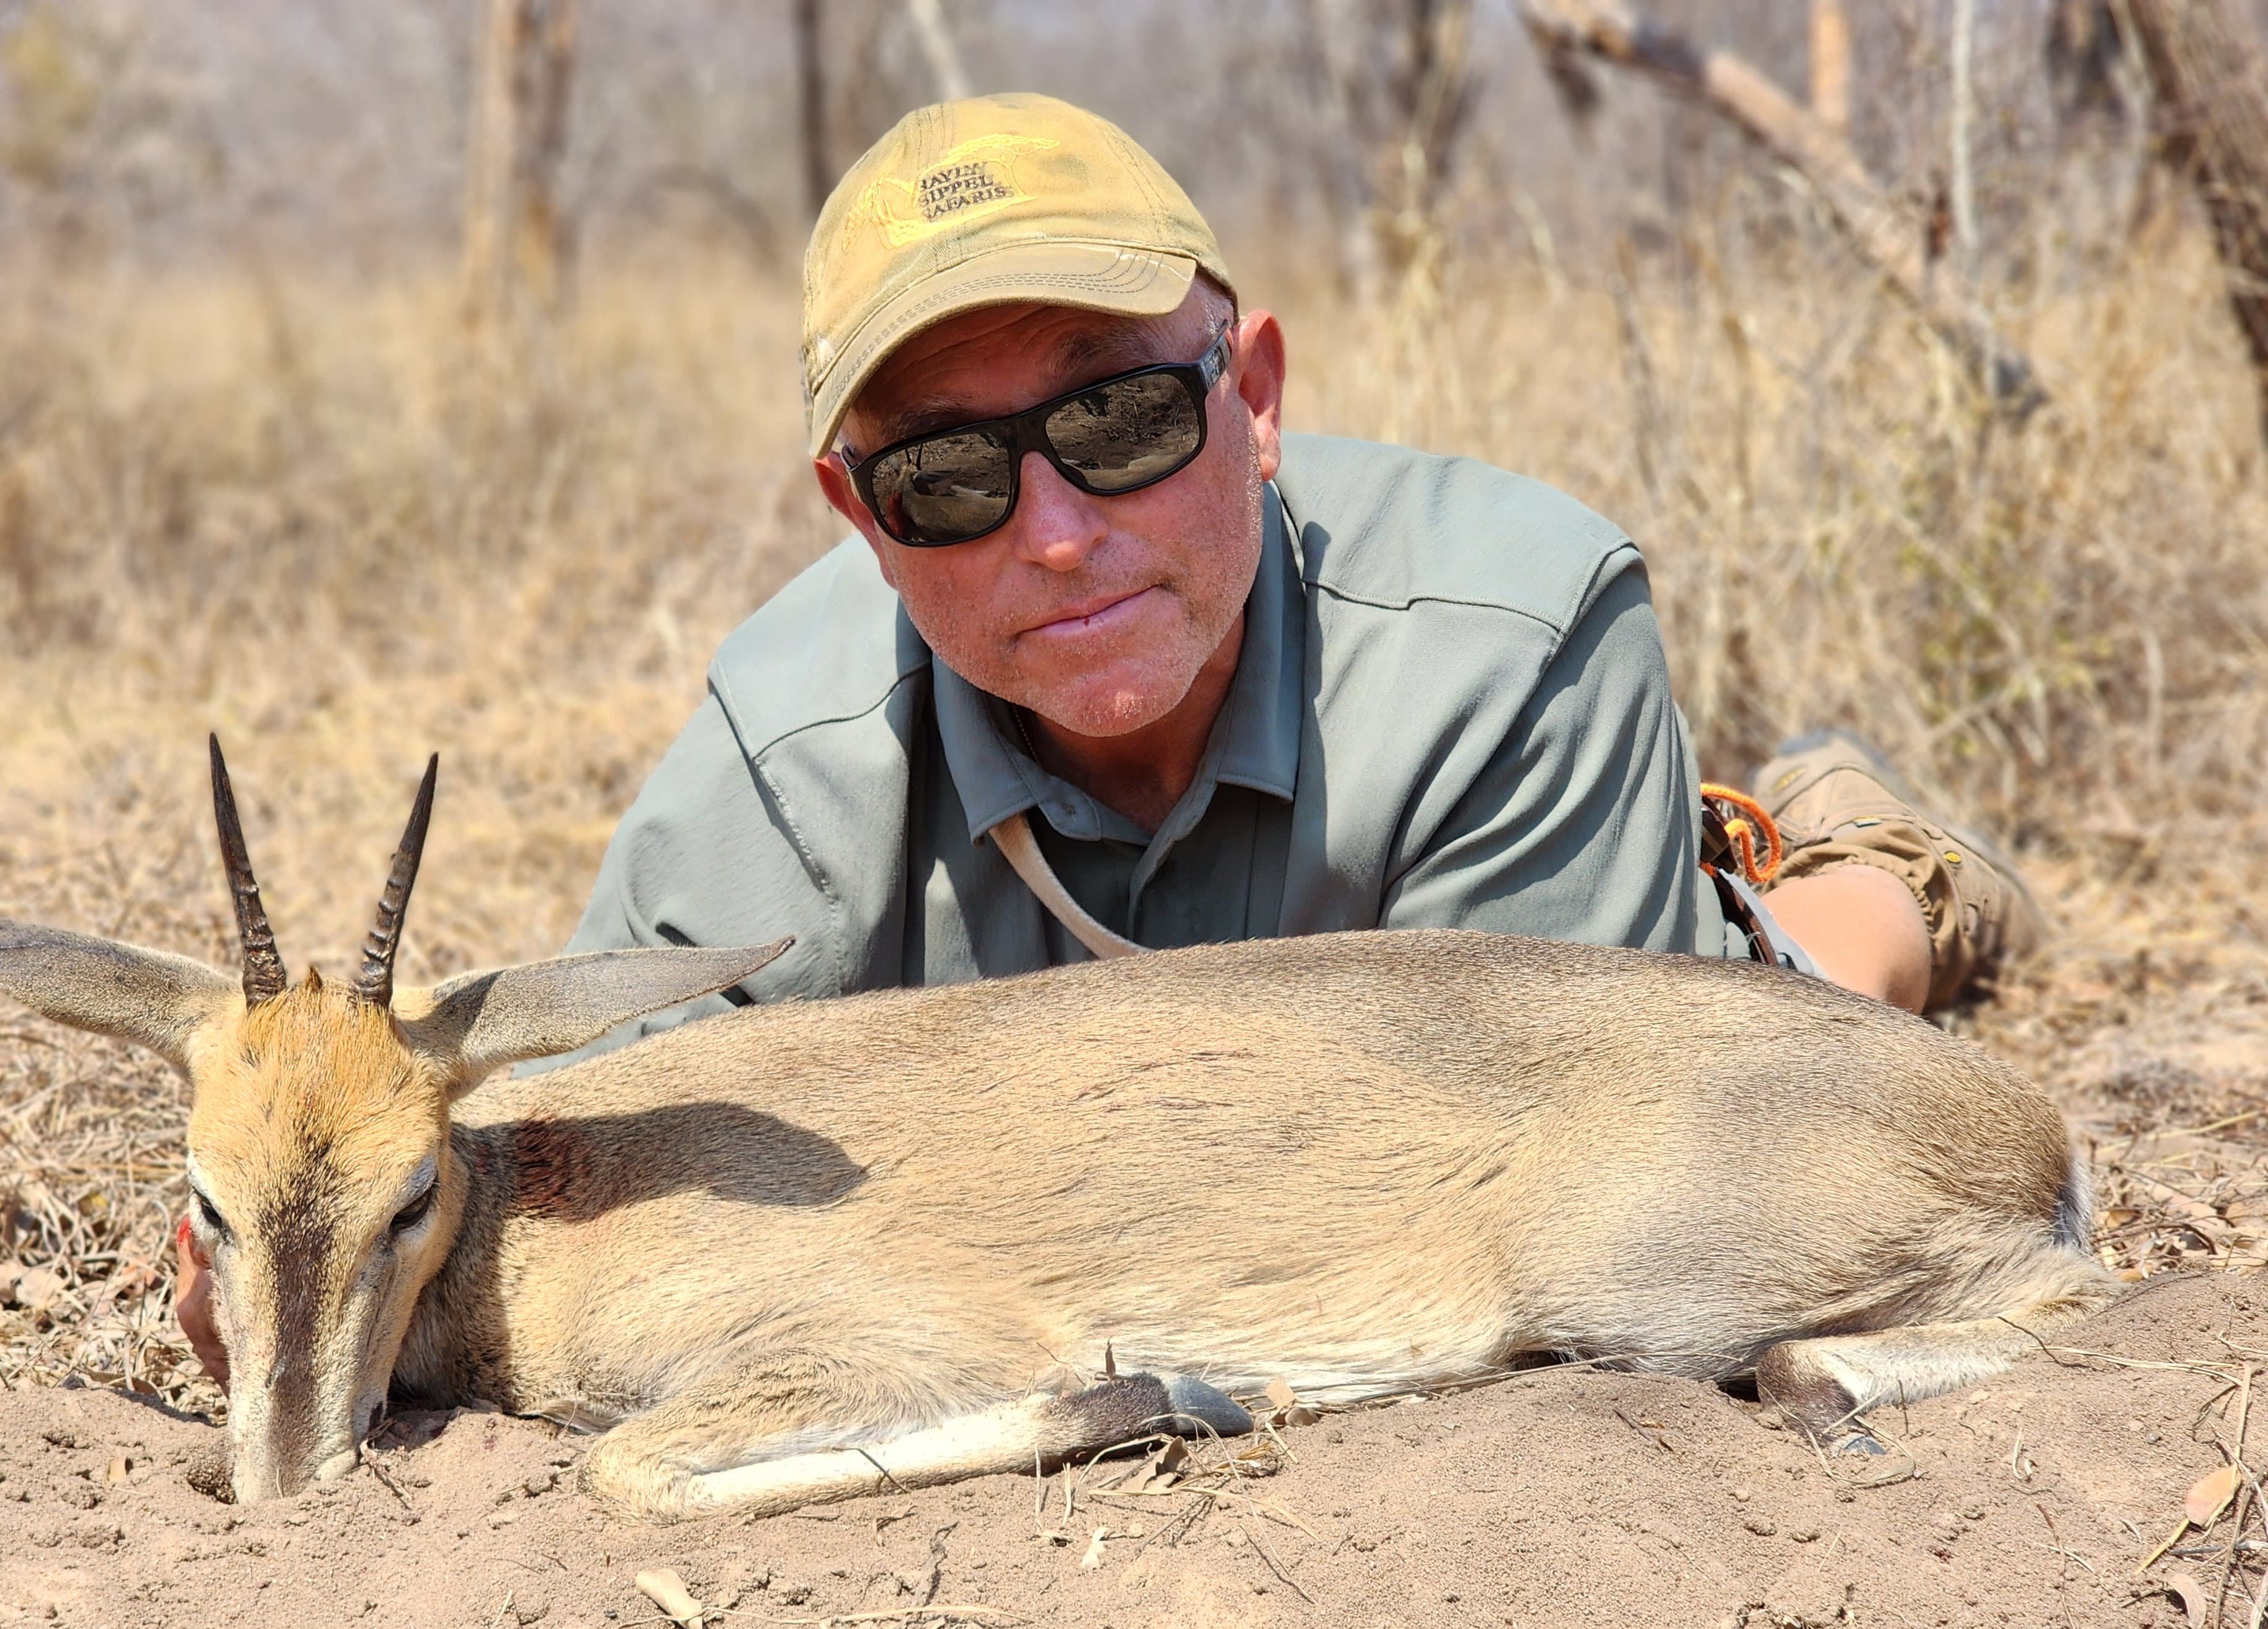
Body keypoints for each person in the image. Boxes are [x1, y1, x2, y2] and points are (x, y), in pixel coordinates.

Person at [171, 93, 2038, 1381]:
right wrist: (309, 1256)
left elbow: (1597, 1134)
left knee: (1784, 1044)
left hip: (1503, 1086)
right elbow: (563, 1180)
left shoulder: (1511, 641)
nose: (1057, 533)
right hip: (1139, 1163)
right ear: (857, 512)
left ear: (1261, 399)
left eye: (1129, 423)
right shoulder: (785, 752)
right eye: (950, 474)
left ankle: (1867, 860)